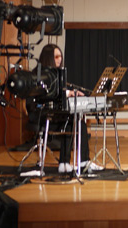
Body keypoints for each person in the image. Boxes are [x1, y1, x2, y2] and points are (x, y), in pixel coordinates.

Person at [36, 44, 103, 174]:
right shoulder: (41, 74)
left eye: (60, 56)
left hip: (55, 113)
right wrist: (68, 93)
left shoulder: (58, 74)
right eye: (56, 56)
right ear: (48, 57)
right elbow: (49, 93)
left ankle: (79, 162)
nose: (59, 59)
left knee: (78, 122)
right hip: (42, 114)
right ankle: (66, 163)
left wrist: (72, 92)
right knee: (71, 122)